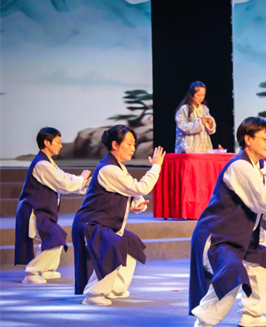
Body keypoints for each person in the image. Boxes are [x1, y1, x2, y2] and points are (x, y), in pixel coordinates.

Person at [189, 117, 266, 327]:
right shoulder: (240, 166)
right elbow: (264, 201)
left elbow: (264, 208)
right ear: (248, 139)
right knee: (232, 270)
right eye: (265, 138)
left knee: (264, 261)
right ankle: (203, 322)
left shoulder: (256, 168)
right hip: (217, 237)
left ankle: (251, 314)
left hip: (237, 240)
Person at [72, 125, 166, 306]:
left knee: (130, 243)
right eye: (129, 144)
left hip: (104, 224)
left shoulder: (118, 167)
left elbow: (130, 189)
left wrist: (136, 202)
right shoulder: (108, 169)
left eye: (134, 144)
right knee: (114, 245)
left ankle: (116, 288)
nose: (133, 148)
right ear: (115, 145)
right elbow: (140, 187)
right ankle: (94, 294)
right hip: (91, 224)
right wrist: (156, 166)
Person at [15, 127, 91, 284]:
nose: (61, 145)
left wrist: (82, 184)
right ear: (46, 142)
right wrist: (81, 179)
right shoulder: (41, 164)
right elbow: (63, 183)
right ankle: (31, 272)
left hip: (42, 211)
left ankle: (47, 269)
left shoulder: (48, 163)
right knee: (54, 238)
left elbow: (63, 178)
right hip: (34, 211)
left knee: (55, 237)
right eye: (58, 142)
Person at [175, 81, 216, 153]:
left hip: (204, 148)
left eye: (203, 95)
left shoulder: (204, 109)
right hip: (188, 148)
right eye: (199, 95)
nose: (201, 98)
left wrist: (210, 123)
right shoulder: (184, 109)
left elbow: (210, 131)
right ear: (192, 94)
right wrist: (200, 123)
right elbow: (182, 127)